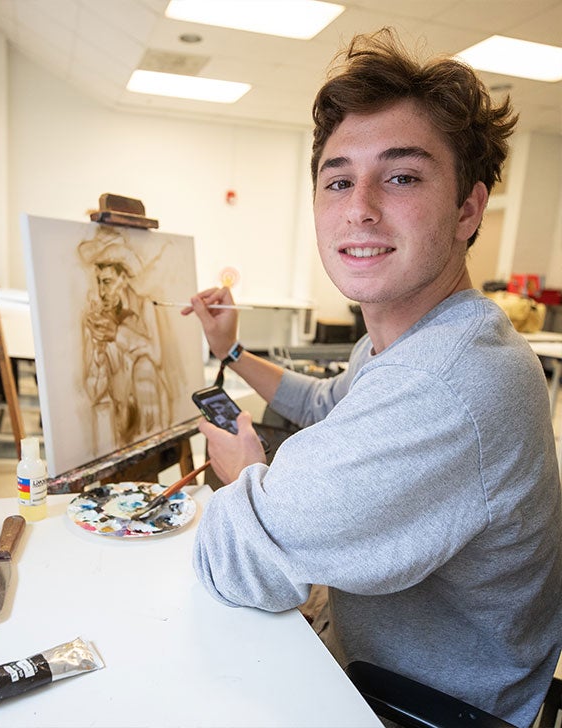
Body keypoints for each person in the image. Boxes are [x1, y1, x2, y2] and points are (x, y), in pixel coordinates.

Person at [183, 28, 562, 727]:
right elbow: (325, 402)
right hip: (383, 667)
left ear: (467, 210)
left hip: (422, 708)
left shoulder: (445, 382)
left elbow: (237, 560)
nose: (358, 207)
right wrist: (233, 353)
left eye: (402, 175)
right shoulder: (419, 337)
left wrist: (244, 476)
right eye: (338, 180)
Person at [78, 228, 173, 449]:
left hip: (152, 419)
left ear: (123, 278)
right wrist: (98, 351)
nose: (102, 291)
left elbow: (156, 355)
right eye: (99, 282)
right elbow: (93, 391)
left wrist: (117, 334)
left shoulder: (145, 306)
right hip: (118, 425)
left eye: (108, 282)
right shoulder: (97, 319)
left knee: (145, 366)